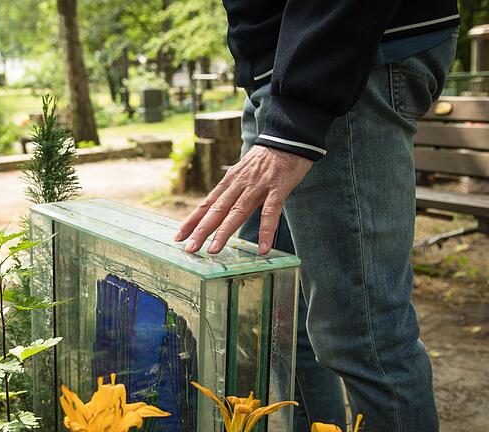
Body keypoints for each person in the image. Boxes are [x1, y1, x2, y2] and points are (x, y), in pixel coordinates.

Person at [174, 1, 459, 431]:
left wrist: (296, 125)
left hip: (342, 62)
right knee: (277, 319)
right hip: (284, 74)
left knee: (364, 337)